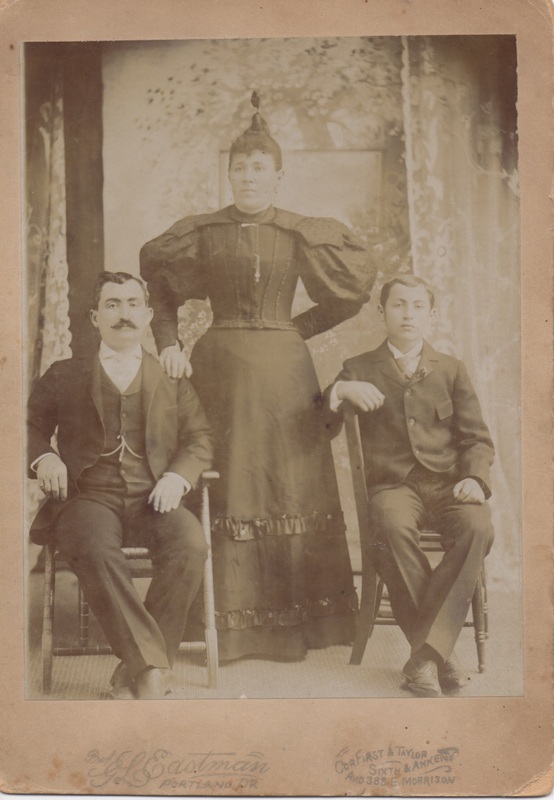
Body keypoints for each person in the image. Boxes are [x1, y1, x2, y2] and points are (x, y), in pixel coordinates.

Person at [140, 92, 376, 661]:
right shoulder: (202, 232)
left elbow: (349, 296)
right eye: (240, 167)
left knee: (288, 481)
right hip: (219, 369)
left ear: (278, 176)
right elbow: (162, 295)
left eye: (259, 168)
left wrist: (292, 328)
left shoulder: (300, 232)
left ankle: (299, 625)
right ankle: (221, 625)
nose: (249, 176)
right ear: (229, 175)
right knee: (229, 479)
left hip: (285, 372)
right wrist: (169, 345)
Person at [27, 271, 213, 699]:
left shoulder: (170, 375)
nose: (123, 314)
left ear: (147, 315)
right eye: (112, 304)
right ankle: (152, 671)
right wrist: (45, 457)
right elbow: (26, 427)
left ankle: (137, 669)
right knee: (92, 547)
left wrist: (177, 476)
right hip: (88, 498)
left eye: (132, 304)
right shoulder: (65, 374)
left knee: (191, 545)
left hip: (154, 497)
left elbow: (200, 438)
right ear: (95, 317)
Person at [324, 275, 495, 696]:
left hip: (448, 485)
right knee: (389, 526)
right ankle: (439, 655)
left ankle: (424, 658)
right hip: (393, 487)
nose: (408, 314)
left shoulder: (451, 369)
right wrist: (341, 388)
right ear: (382, 312)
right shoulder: (360, 367)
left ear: (431, 315)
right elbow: (321, 424)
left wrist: (474, 478)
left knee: (478, 527)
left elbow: (476, 438)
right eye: (399, 305)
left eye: (418, 306)